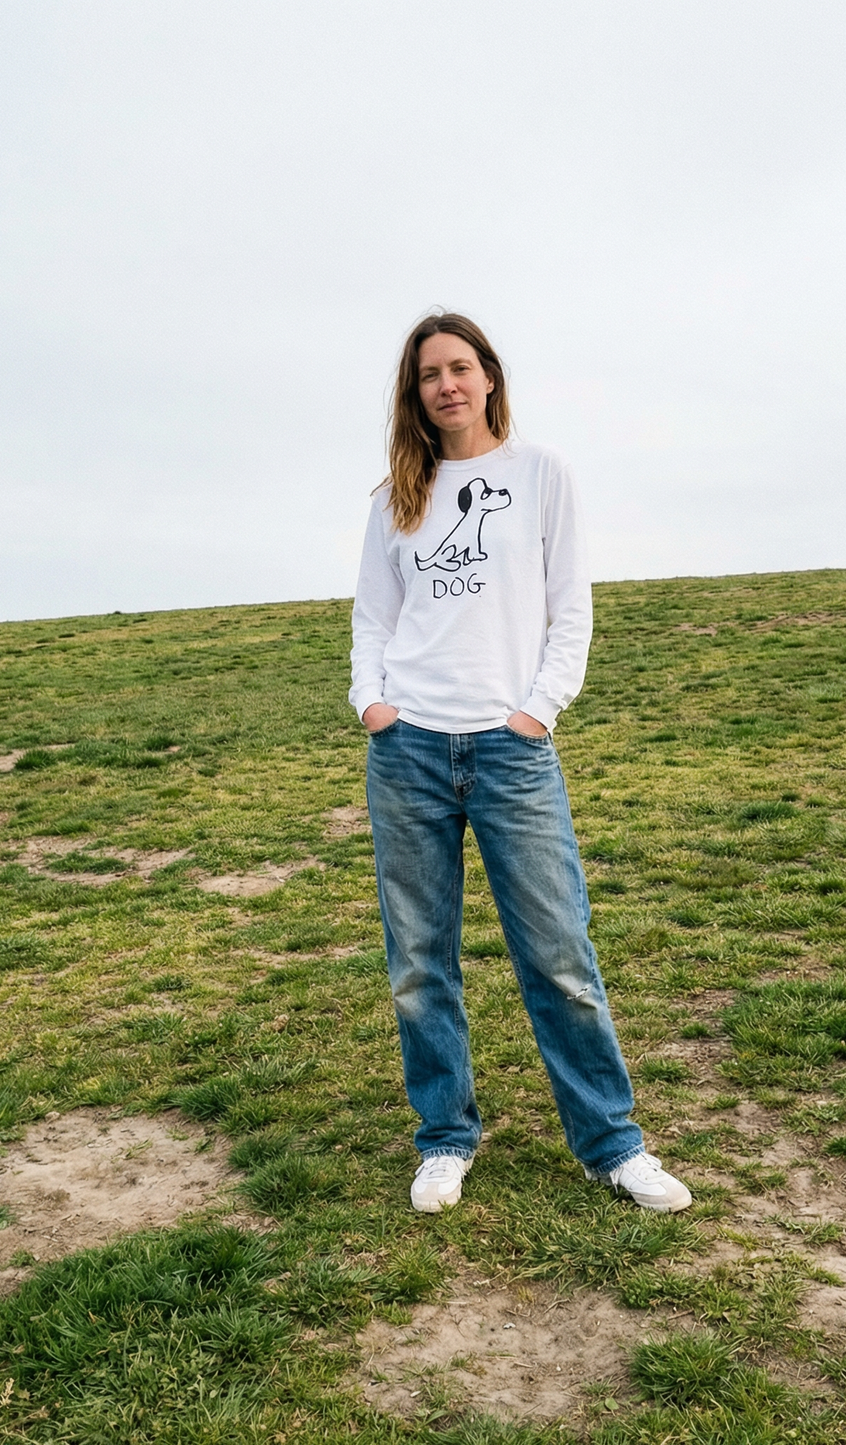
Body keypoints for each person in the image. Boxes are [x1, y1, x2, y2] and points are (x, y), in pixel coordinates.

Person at [349, 311, 691, 1215]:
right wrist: (372, 705)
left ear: (489, 377)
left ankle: (612, 1144)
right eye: (429, 374)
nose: (446, 385)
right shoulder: (395, 498)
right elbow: (374, 619)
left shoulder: (541, 476)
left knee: (558, 954)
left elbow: (568, 606)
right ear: (413, 392)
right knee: (420, 961)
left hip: (510, 750)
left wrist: (537, 712)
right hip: (408, 748)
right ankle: (444, 1138)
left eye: (460, 368)